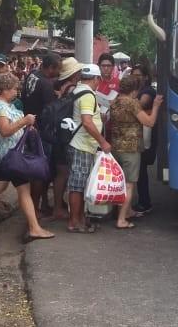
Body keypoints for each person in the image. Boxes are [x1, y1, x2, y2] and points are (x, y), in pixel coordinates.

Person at [0, 72, 54, 241]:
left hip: (3, 155)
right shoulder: (0, 107)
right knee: (24, 191)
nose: (16, 92)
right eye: (14, 89)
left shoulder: (2, 104)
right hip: (10, 156)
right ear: (4, 89)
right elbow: (5, 131)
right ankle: (35, 228)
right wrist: (25, 121)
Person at [108, 76, 164, 228]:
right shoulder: (132, 103)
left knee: (119, 183)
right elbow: (150, 122)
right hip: (130, 149)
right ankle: (121, 219)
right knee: (129, 185)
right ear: (135, 90)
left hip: (115, 147)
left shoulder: (114, 102)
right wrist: (156, 106)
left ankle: (126, 211)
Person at [67, 64, 111, 233]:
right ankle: (74, 222)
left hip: (82, 145)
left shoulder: (78, 90)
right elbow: (86, 121)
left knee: (80, 184)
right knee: (77, 185)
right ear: (96, 79)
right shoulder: (87, 95)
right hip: (82, 145)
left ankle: (79, 219)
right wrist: (103, 142)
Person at [22, 53, 62, 215]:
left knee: (36, 169)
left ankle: (41, 204)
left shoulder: (32, 76)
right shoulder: (45, 84)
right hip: (41, 131)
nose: (58, 73)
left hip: (30, 127)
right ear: (50, 67)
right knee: (40, 171)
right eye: (57, 69)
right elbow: (50, 111)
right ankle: (36, 208)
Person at [49, 57, 83, 220]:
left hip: (59, 133)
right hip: (66, 135)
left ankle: (58, 204)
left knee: (60, 172)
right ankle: (57, 207)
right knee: (63, 172)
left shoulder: (61, 87)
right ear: (74, 73)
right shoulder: (72, 89)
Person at [132, 62, 159, 216]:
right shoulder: (139, 91)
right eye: (133, 75)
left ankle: (144, 202)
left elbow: (139, 105)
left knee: (141, 170)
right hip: (139, 135)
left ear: (146, 77)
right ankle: (142, 200)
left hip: (145, 135)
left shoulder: (147, 92)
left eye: (139, 76)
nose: (135, 78)